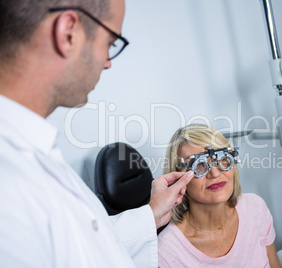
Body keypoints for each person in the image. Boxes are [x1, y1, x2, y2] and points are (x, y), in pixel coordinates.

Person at [0, 0, 193, 267]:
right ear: (68, 33)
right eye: (110, 43)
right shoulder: (9, 187)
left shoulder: (34, 152)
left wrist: (150, 214)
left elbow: (82, 244)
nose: (107, 63)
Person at [158, 124, 281, 267]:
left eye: (222, 159)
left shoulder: (255, 208)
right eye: (199, 165)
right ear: (177, 177)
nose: (215, 173)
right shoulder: (166, 253)